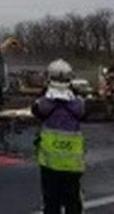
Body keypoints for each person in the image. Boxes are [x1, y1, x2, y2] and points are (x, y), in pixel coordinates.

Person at [31, 59, 86, 214]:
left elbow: (36, 110)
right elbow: (83, 112)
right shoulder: (78, 104)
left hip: (50, 163)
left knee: (51, 203)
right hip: (72, 164)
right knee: (72, 202)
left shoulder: (44, 104)